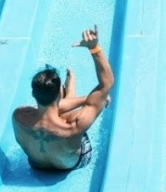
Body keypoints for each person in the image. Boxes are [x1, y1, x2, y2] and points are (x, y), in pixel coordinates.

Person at [12, 27, 115, 172]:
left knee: (50, 114)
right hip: (69, 164)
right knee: (65, 116)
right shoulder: (73, 127)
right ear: (59, 96)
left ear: (34, 94)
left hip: (37, 164)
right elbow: (107, 83)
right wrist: (94, 48)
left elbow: (45, 111)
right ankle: (70, 91)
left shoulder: (18, 116)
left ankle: (70, 91)